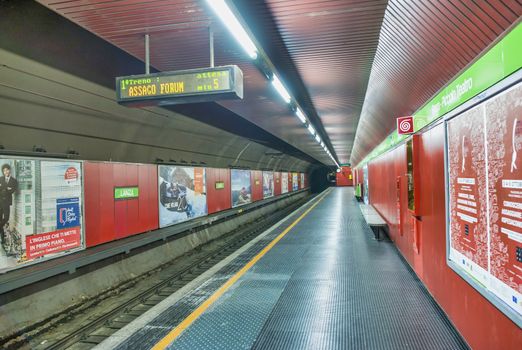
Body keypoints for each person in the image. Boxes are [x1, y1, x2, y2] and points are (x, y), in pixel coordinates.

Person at [0, 164, 18, 246]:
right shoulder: (0, 179)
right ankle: (2, 238)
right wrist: (7, 188)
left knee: (6, 218)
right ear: (3, 172)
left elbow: (13, 190)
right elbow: (6, 190)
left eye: (7, 170)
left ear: (9, 170)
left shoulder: (14, 181)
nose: (6, 172)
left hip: (6, 203)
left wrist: (4, 188)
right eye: (4, 170)